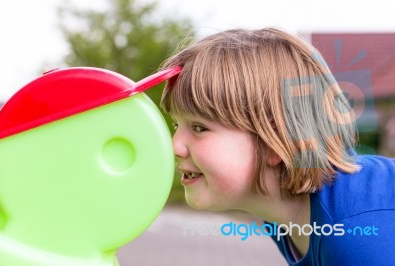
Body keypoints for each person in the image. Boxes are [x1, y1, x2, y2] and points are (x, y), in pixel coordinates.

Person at [159, 28, 395, 265]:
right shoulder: (281, 213)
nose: (175, 146)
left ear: (275, 143)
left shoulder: (355, 235)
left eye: (199, 128)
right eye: (176, 124)